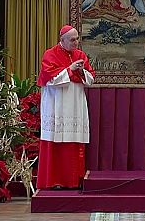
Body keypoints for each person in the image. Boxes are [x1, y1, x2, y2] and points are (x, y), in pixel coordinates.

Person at [36, 25, 96, 189]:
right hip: (57, 103)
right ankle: (54, 181)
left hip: (76, 103)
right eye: (72, 40)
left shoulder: (80, 55)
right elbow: (51, 79)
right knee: (55, 141)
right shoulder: (50, 54)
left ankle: (73, 180)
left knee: (74, 142)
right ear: (62, 41)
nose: (76, 42)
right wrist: (70, 69)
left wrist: (82, 71)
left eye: (77, 39)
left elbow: (90, 79)